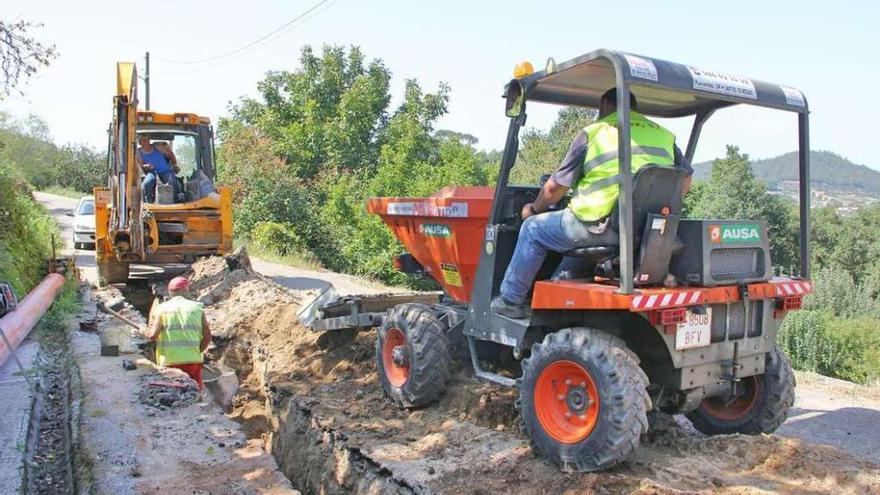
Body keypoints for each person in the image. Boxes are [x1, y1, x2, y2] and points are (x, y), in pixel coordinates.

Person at [490, 89, 693, 319]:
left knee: (532, 229)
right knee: (568, 245)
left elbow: (554, 189)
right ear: (633, 108)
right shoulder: (664, 136)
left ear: (605, 107)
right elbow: (685, 181)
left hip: (601, 225)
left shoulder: (594, 133)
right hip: (648, 234)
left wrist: (534, 209)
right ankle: (556, 294)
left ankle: (510, 300)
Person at [143, 276, 211, 389]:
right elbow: (207, 337)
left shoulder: (161, 308)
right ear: (186, 290)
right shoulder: (197, 308)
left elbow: (152, 335)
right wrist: (196, 351)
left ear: (170, 292)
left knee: (173, 393)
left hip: (169, 362)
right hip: (192, 361)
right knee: (194, 392)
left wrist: (142, 330)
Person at [137, 135, 178, 203]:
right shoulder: (138, 152)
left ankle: (175, 200)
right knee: (147, 182)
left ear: (149, 140)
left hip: (165, 171)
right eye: (142, 141)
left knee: (172, 181)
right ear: (139, 142)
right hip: (152, 172)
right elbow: (141, 165)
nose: (145, 142)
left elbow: (170, 154)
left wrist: (174, 164)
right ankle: (148, 201)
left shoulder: (157, 147)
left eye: (146, 140)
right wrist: (146, 166)